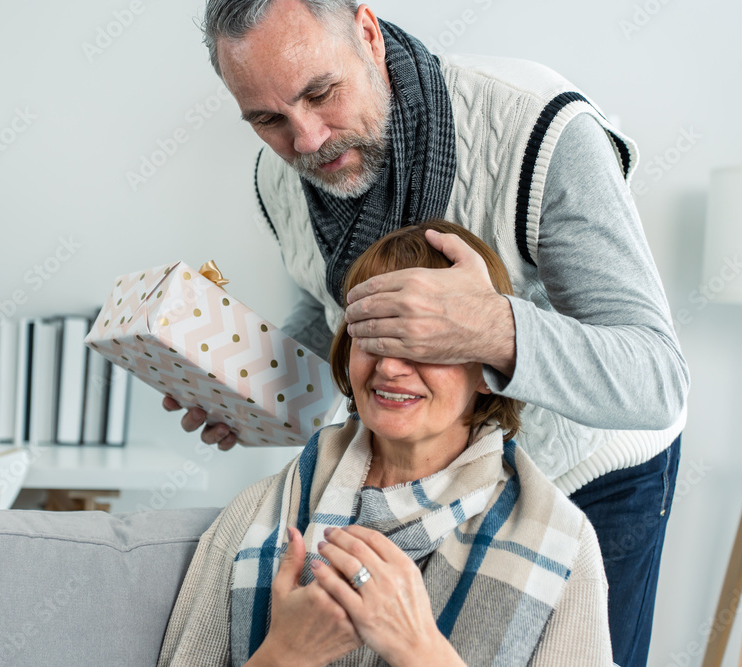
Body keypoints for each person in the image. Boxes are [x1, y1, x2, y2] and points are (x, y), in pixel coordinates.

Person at [162, 2, 687, 663]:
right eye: (268, 119)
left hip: (591, 471)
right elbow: (329, 307)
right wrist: (252, 387)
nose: (306, 140)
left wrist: (490, 325)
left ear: (368, 33)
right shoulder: (281, 179)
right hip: (418, 479)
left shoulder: (540, 132)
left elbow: (657, 379)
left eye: (321, 93)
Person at [158, 221, 612, 667]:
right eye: (371, 332)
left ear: (491, 370)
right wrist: (286, 655)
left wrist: (419, 652)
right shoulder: (253, 516)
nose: (390, 368)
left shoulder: (563, 546)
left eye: (426, 341)